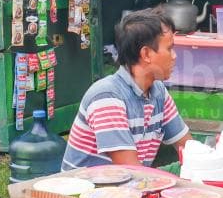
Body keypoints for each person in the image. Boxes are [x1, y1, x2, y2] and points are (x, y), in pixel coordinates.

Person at [61, 9, 191, 170]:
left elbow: (191, 150)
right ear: (146, 54)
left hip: (128, 187)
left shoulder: (159, 93)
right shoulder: (106, 97)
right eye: (169, 48)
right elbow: (131, 171)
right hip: (88, 192)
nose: (174, 56)